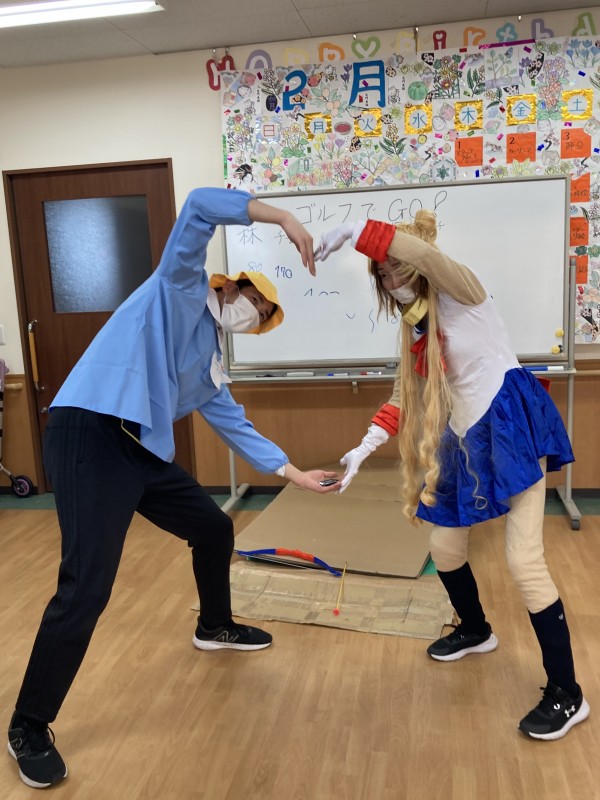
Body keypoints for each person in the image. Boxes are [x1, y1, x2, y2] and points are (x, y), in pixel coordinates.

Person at [8, 187, 339, 789]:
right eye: (252, 299)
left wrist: (294, 473)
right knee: (87, 587)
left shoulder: (210, 362)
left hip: (139, 452)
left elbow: (235, 424)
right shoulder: (177, 286)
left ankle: (214, 626)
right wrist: (284, 217)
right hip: (89, 435)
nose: (253, 312)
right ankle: (28, 725)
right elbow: (199, 207)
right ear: (228, 288)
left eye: (263, 315)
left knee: (213, 527)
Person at [315, 210, 589, 741]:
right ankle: (476, 630)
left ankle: (567, 693)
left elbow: (424, 255)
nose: (389, 281)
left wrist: (353, 231)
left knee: (524, 561)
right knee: (444, 548)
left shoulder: (465, 291)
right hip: (463, 439)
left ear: (417, 266)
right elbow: (406, 393)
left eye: (395, 269)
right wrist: (363, 447)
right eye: (381, 275)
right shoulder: (417, 326)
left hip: (510, 429)